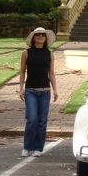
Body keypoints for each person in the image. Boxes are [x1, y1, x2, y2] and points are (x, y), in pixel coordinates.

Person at [19, 27, 58, 157]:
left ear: (46, 38)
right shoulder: (26, 53)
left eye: (43, 35)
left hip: (45, 91)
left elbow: (51, 73)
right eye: (38, 35)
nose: (41, 36)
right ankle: (27, 146)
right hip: (30, 91)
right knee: (32, 119)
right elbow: (22, 71)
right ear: (33, 38)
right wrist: (21, 88)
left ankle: (38, 148)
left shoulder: (49, 54)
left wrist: (55, 90)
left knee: (42, 121)